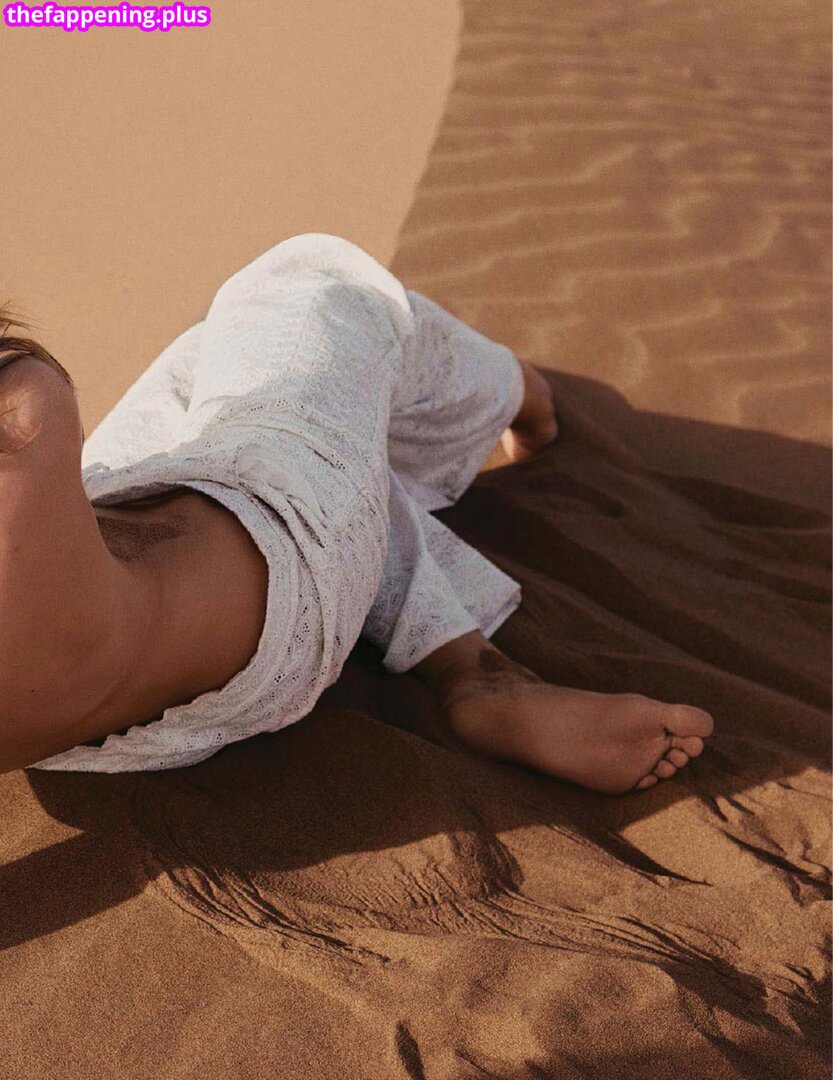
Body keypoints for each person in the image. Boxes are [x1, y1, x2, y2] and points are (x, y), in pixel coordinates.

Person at [0, 233, 713, 792]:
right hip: (291, 570)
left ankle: (453, 641)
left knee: (204, 359)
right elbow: (27, 383)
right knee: (306, 286)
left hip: (103, 730)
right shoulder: (25, 416)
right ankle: (524, 408)